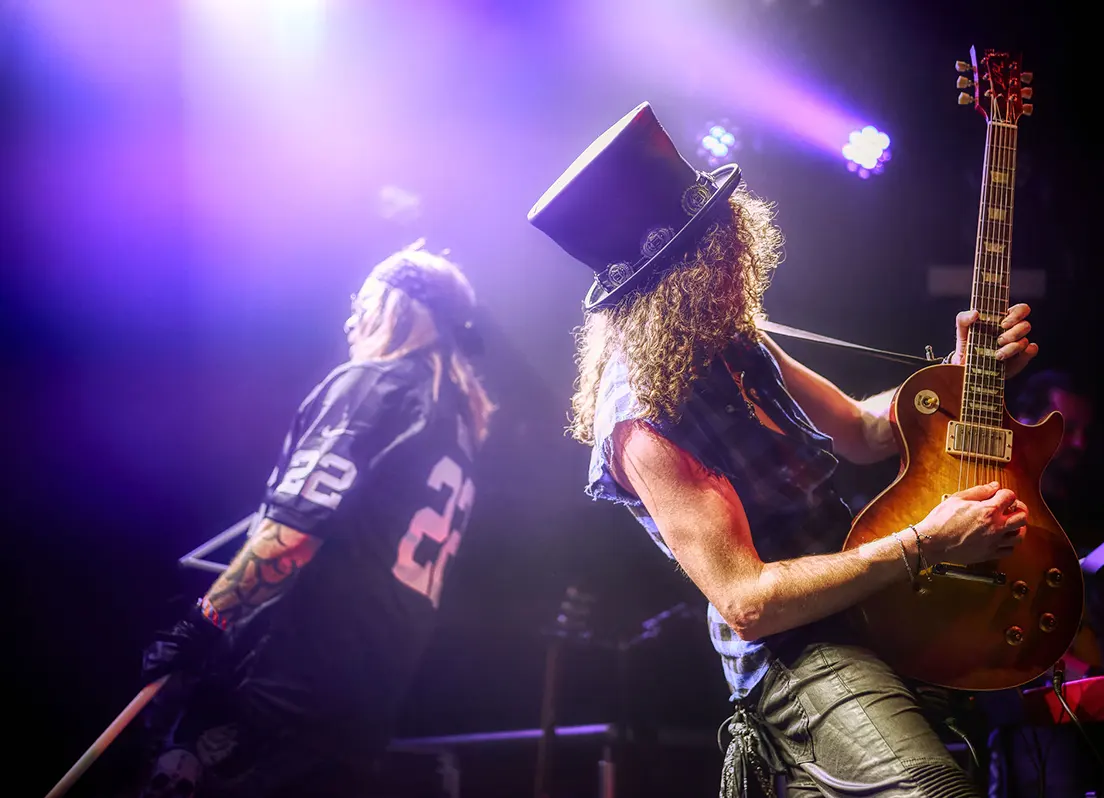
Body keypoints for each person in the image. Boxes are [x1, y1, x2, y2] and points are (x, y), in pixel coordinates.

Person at [528, 102, 1041, 797]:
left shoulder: (732, 337)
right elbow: (748, 601)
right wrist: (925, 542)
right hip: (799, 654)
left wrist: (959, 375)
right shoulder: (641, 422)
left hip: (878, 604)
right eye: (714, 245)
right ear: (671, 279)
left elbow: (861, 432)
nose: (735, 252)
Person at [129, 240, 496, 798]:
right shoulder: (456, 431)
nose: (351, 319)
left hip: (273, 692)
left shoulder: (374, 385)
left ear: (398, 309)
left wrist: (200, 627)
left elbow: (293, 535)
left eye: (363, 302)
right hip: (360, 712)